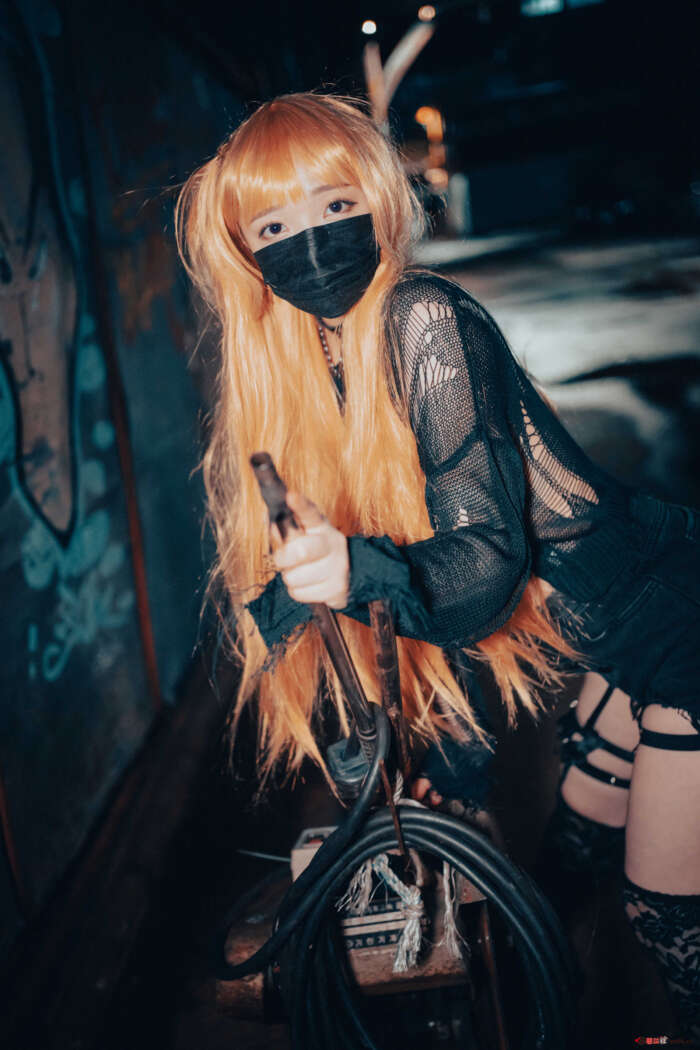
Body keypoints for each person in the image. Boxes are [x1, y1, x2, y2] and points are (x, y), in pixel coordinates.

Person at [175, 92, 700, 1036]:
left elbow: (482, 564)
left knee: (665, 914)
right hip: (624, 649)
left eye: (337, 204)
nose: (313, 240)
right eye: (275, 225)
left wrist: (361, 573)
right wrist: (454, 770)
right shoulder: (311, 367)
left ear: (379, 200)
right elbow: (434, 600)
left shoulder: (424, 318)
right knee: (565, 870)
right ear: (245, 252)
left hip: (679, 623)